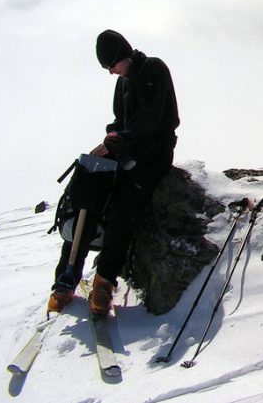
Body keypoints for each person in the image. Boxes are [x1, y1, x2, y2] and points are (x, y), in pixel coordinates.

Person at [47, 29, 180, 316]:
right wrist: (111, 137)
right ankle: (67, 275)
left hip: (153, 155)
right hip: (128, 152)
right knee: (87, 194)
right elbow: (121, 120)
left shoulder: (153, 70)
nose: (111, 72)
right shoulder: (124, 82)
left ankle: (104, 281)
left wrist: (117, 141)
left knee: (122, 208)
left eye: (111, 66)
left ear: (123, 56)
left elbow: (152, 118)